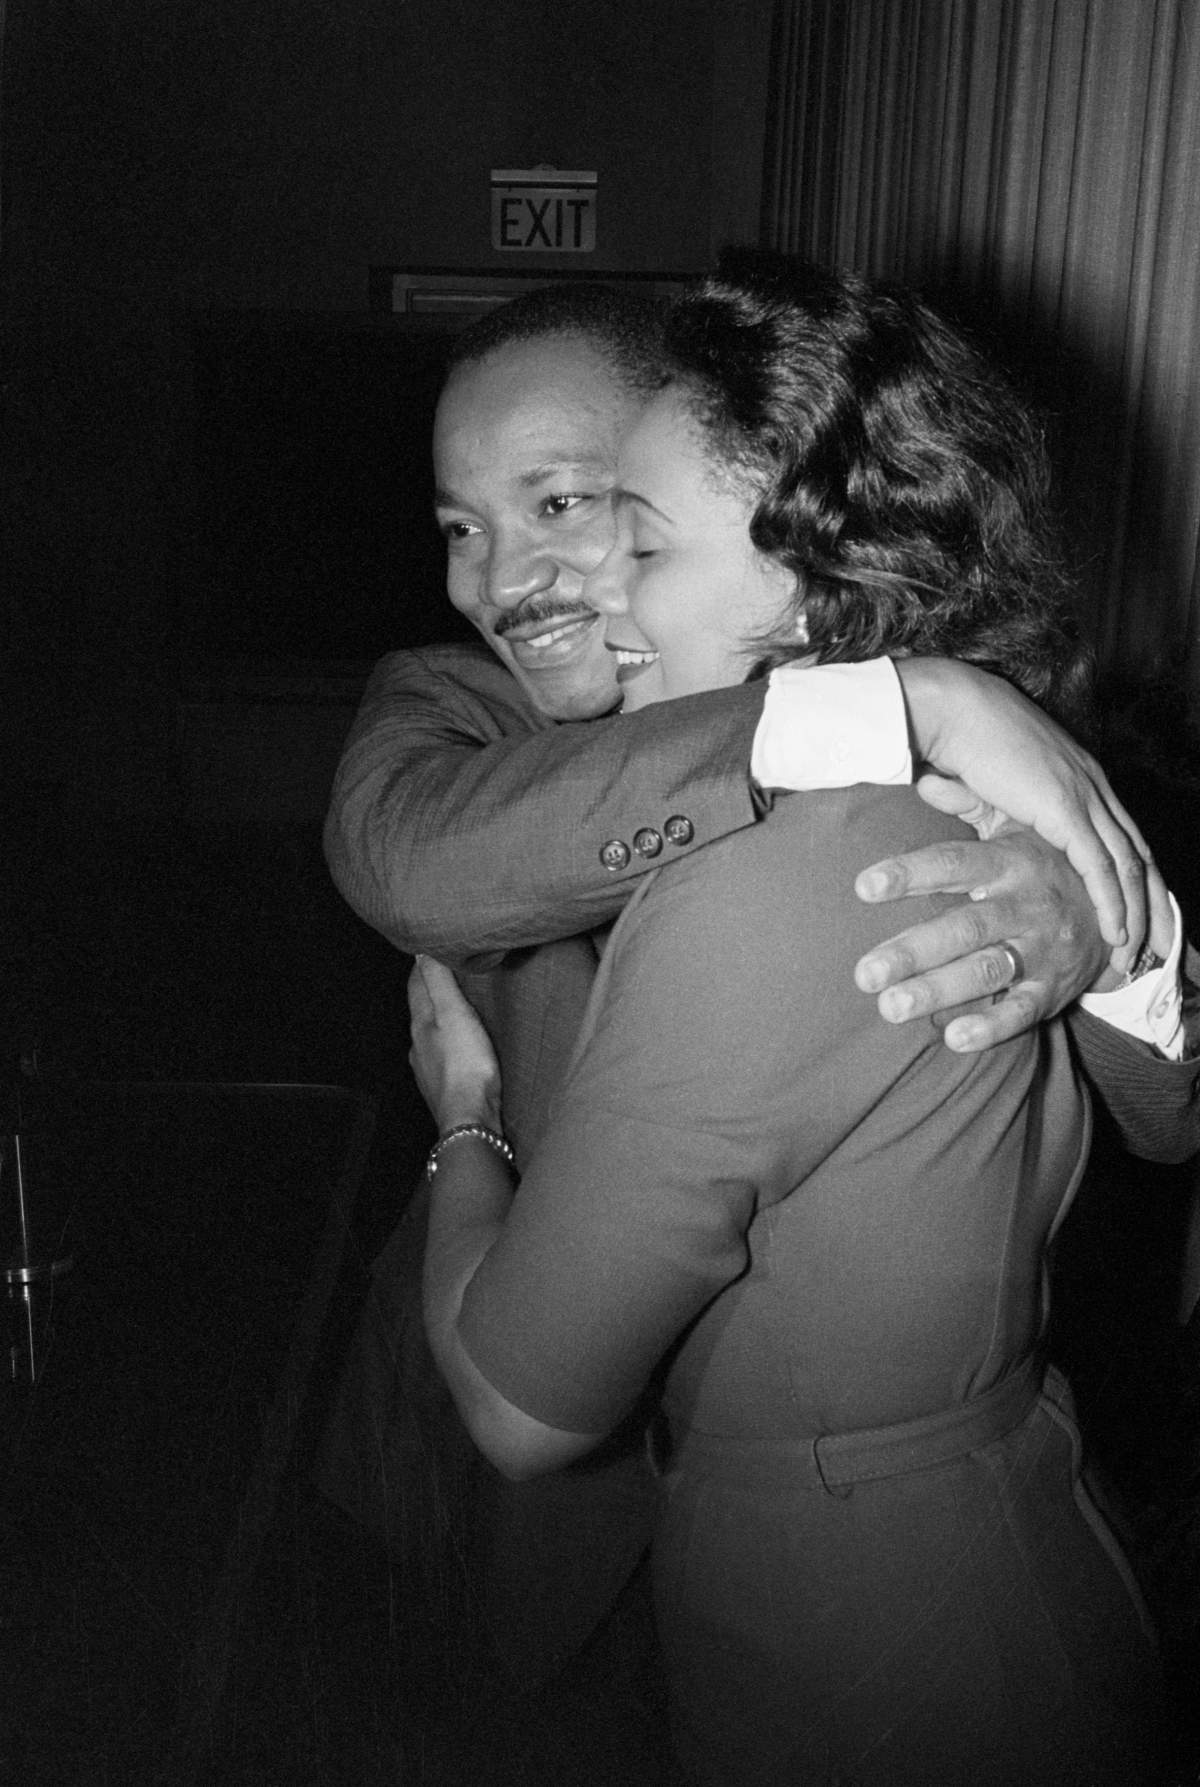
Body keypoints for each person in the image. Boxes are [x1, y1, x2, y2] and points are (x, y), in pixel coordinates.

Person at [315, 282, 1191, 1692]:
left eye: (565, 505)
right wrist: (894, 706)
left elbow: (1164, 1109)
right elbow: (408, 861)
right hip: (542, 1506)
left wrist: (1096, 934)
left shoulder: (965, 776)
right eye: (460, 527)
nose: (507, 582)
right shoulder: (449, 705)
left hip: (847, 1549)